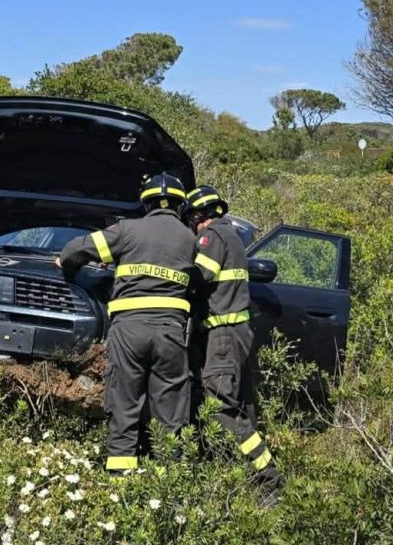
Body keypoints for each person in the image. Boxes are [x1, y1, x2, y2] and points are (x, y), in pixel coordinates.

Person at [57, 173, 196, 476]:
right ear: (179, 204)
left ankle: (120, 479)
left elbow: (74, 252)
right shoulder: (190, 239)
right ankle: (168, 480)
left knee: (124, 401)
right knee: (170, 407)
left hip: (129, 331)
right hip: (171, 333)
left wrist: (63, 263)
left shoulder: (127, 230)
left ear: (145, 204)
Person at [184, 184, 285, 503]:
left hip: (224, 336)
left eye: (190, 218)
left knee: (220, 409)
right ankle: (257, 478)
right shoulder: (231, 236)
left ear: (199, 215)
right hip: (236, 332)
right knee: (241, 409)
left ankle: (266, 480)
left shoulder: (212, 236)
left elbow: (199, 278)